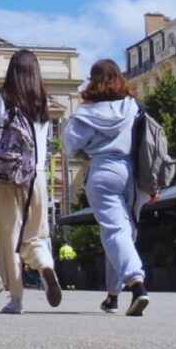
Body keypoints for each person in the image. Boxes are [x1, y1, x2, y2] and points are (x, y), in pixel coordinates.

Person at [63, 59, 152, 317]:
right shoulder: (133, 106)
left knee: (114, 231)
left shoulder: (87, 112)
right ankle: (113, 296)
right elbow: (145, 141)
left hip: (102, 171)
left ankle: (137, 285)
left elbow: (69, 146)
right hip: (131, 171)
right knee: (122, 232)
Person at [0, 48, 62, 315]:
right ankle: (45, 265)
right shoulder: (42, 102)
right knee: (35, 233)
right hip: (35, 175)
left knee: (8, 236)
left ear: (11, 71)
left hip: (6, 175)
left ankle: (16, 299)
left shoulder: (4, 97)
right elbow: (44, 144)